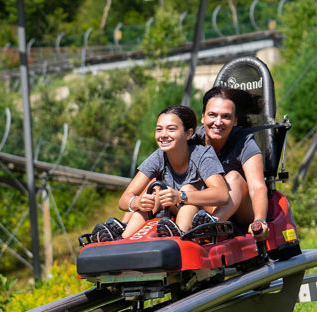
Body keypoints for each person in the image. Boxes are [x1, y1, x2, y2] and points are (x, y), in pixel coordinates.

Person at [91, 104, 229, 242]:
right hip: (173, 210)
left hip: (202, 212)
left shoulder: (202, 154)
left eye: (171, 129)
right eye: (159, 129)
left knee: (187, 190)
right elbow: (123, 200)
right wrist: (138, 202)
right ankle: (123, 239)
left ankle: (179, 237)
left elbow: (222, 194)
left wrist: (181, 196)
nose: (163, 135)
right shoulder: (158, 157)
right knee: (151, 196)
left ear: (188, 133)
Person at [193, 86, 269, 240]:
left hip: (240, 210)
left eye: (226, 116)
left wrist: (260, 220)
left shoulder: (245, 142)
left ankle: (211, 226)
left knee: (233, 177)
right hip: (207, 205)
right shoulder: (192, 139)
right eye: (212, 115)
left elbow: (257, 186)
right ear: (202, 117)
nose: (218, 122)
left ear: (235, 121)